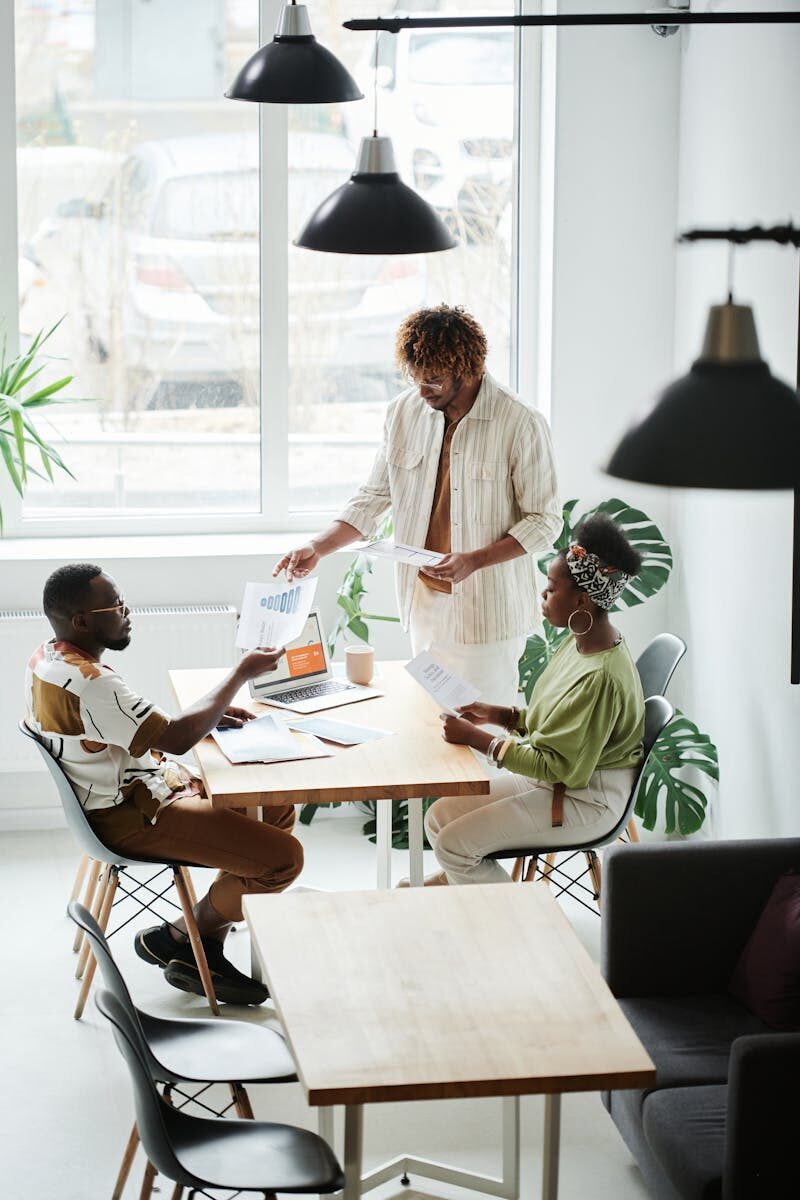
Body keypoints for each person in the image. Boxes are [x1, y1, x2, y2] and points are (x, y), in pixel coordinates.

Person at [25, 563, 302, 1005]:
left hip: (130, 788)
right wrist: (240, 675)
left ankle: (201, 942)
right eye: (116, 606)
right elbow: (174, 739)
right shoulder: (92, 683)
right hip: (130, 815)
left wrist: (209, 716)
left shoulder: (50, 658)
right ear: (82, 621)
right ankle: (184, 936)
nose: (127, 612)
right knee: (283, 860)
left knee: (274, 807)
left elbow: (147, 727)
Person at [273, 304, 561, 705]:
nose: (423, 391)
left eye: (435, 381)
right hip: (424, 603)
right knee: (431, 729)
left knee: (478, 740)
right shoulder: (404, 412)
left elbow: (544, 522)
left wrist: (473, 560)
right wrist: (318, 547)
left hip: (487, 614)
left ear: (469, 368)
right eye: (416, 379)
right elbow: (375, 496)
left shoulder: (520, 422)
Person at [422, 514, 645, 886]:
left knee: (455, 846)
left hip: (587, 799)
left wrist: (479, 739)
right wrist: (499, 714)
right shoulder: (582, 641)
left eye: (551, 588)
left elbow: (560, 766)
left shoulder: (601, 675)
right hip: (562, 780)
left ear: (582, 600)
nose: (543, 595)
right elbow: (560, 722)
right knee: (439, 817)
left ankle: (518, 931)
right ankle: (469, 903)